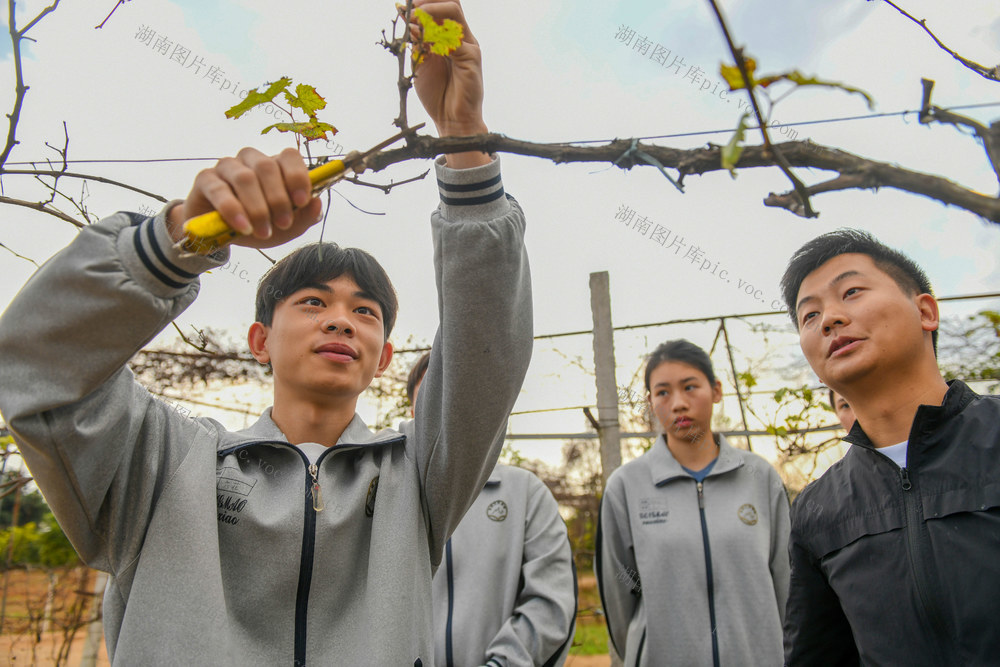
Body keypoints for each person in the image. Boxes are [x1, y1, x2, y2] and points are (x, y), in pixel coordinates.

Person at [0, 2, 534, 664]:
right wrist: (170, 242)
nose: (341, 317)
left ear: (385, 357)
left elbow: (490, 355)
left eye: (366, 311)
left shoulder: (419, 478)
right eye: (313, 301)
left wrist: (463, 136)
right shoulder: (162, 464)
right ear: (259, 339)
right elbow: (36, 363)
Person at [780, 229, 1000, 665]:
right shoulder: (817, 510)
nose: (829, 319)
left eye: (852, 291)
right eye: (810, 316)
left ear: (926, 312)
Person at [596, 340, 790, 666]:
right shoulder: (626, 487)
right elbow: (619, 593)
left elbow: (786, 581)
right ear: (650, 401)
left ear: (715, 390)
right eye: (663, 393)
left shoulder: (760, 477)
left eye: (690, 387)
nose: (678, 404)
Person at [406, 353, 578, 667]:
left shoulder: (525, 493)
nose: (449, 404)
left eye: (463, 390)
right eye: (434, 392)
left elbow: (552, 601)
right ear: (413, 410)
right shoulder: (385, 491)